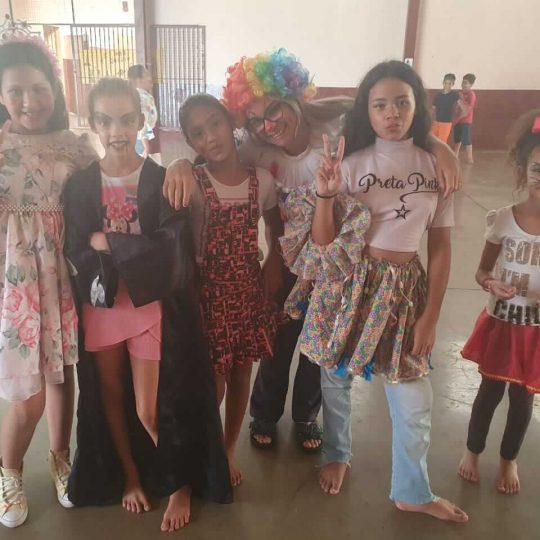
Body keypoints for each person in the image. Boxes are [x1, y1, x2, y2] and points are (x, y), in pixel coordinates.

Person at [162, 49, 462, 453]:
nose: (268, 126)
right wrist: (179, 165)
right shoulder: (254, 149)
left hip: (335, 259)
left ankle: (306, 414)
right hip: (287, 259)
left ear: (294, 98)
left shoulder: (336, 131)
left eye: (274, 110)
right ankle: (264, 413)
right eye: (255, 120)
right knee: (277, 339)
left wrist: (439, 147)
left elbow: (391, 127)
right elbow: (213, 157)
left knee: (321, 343)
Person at [289, 60, 467, 522]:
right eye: (380, 104)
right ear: (366, 111)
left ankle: (412, 490)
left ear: (417, 107)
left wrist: (431, 316)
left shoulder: (435, 166)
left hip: (406, 290)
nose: (392, 113)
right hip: (350, 283)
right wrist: (326, 195)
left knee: (413, 395)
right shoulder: (349, 165)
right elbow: (324, 243)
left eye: (402, 103)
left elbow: (441, 248)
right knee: (336, 377)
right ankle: (337, 452)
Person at [63, 78, 231, 532]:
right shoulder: (80, 184)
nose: (116, 130)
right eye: (105, 121)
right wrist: (113, 245)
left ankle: (179, 483)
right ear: (93, 123)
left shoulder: (160, 178)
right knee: (110, 398)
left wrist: (109, 242)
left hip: (149, 305)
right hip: (103, 307)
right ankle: (132, 477)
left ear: (141, 120)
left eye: (125, 119)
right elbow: (75, 245)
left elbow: (171, 247)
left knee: (150, 409)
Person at [0, 37, 98, 528]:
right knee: (27, 394)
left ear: (54, 91)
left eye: (39, 89)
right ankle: (9, 471)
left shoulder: (76, 147)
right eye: (15, 91)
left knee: (62, 374)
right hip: (15, 282)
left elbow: (108, 188)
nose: (29, 101)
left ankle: (62, 459)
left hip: (64, 275)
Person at [179, 93, 281, 485]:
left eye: (215, 124)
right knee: (213, 383)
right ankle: (202, 452)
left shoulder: (262, 180)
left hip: (248, 292)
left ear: (229, 122)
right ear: (191, 142)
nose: (210, 137)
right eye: (198, 133)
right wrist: (177, 164)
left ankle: (227, 449)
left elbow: (275, 228)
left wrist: (273, 264)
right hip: (208, 296)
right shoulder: (193, 182)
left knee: (241, 374)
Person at [458, 109, 540, 495]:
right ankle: (472, 451)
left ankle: (509, 459)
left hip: (535, 333)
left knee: (523, 401)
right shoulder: (504, 219)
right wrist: (492, 283)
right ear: (524, 169)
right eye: (538, 168)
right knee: (488, 394)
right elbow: (481, 272)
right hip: (503, 323)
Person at [127, 64, 160, 161]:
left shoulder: (143, 96)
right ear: (139, 80)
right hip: (144, 139)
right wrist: (146, 145)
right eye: (147, 75)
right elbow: (142, 121)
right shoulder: (141, 98)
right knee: (149, 165)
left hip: (146, 137)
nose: (151, 78)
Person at [453, 73, 477, 164]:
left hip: (466, 121)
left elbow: (467, 111)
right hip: (458, 120)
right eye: (463, 82)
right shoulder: (460, 94)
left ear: (471, 84)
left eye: (466, 83)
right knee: (457, 138)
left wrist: (457, 119)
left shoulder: (471, 94)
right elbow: (456, 107)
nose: (463, 84)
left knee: (466, 139)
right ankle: (455, 154)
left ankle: (469, 157)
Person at [432, 73, 459, 143]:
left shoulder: (454, 95)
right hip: (436, 121)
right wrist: (431, 120)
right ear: (443, 83)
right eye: (445, 83)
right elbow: (433, 109)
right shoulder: (438, 95)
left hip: (446, 122)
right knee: (433, 141)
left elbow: (461, 107)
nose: (447, 85)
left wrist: (457, 118)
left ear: (453, 84)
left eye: (449, 83)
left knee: (442, 142)